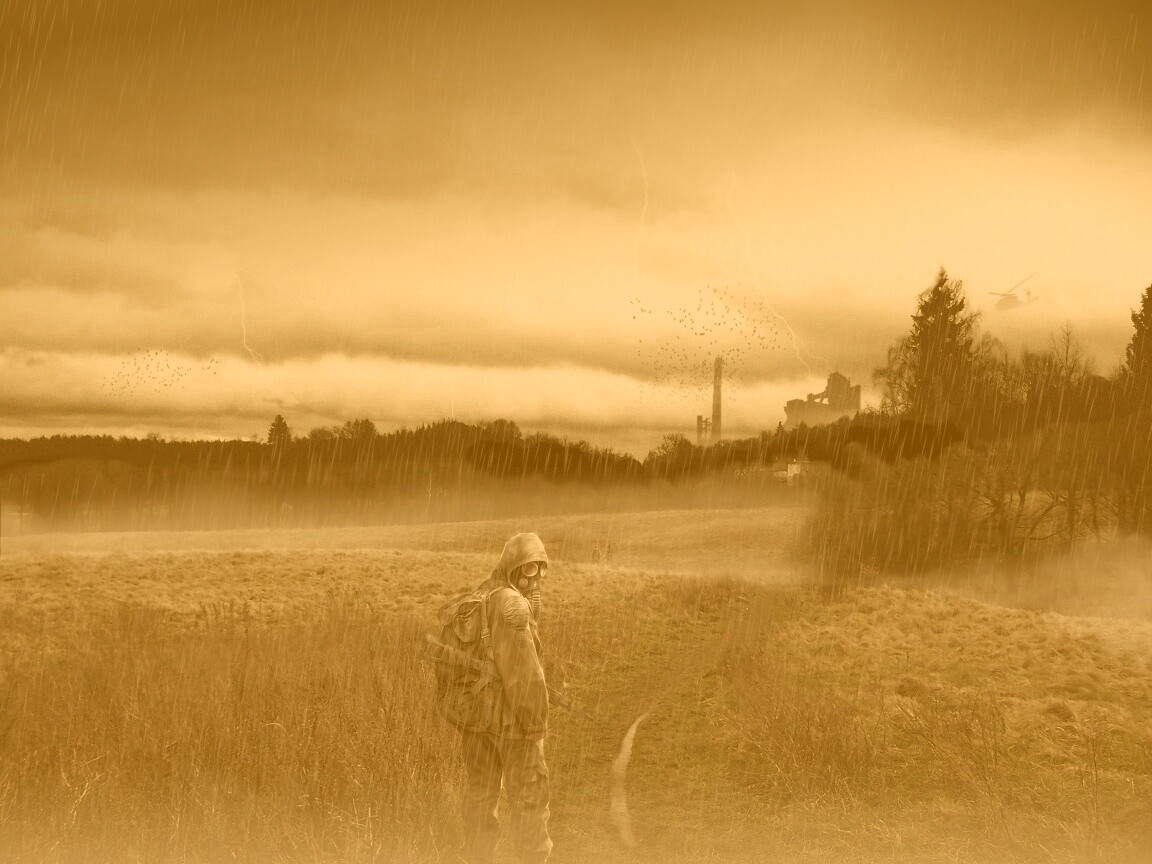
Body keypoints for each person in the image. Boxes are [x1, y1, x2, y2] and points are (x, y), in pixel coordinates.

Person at [454, 532, 553, 864]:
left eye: (541, 568)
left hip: (475, 722)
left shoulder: (481, 595)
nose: (536, 577)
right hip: (512, 724)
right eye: (529, 568)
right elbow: (525, 675)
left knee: (480, 798)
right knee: (529, 800)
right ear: (513, 567)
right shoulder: (512, 604)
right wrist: (536, 725)